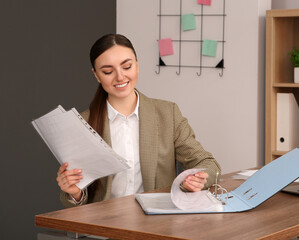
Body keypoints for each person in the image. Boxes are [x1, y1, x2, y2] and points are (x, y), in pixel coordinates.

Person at [56, 34, 221, 208]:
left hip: (156, 223)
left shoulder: (168, 114)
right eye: (108, 71)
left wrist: (195, 180)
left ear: (137, 65)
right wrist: (74, 192)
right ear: (96, 75)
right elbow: (75, 201)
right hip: (105, 225)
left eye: (127, 66)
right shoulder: (82, 123)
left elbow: (208, 163)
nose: (120, 77)